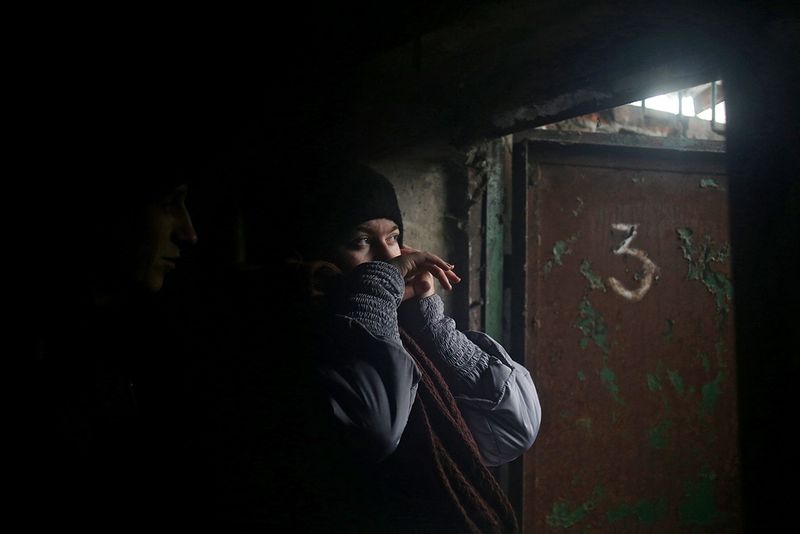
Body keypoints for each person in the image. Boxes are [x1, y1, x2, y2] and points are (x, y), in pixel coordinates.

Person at [261, 160, 542, 533]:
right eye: (360, 242)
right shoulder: (294, 339)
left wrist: (430, 324)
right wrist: (378, 291)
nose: (388, 258)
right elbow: (373, 430)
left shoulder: (401, 331)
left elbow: (512, 428)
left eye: (392, 238)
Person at [27, 125, 202, 532]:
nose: (189, 232)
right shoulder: (62, 359)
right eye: (168, 203)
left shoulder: (123, 337)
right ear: (105, 207)